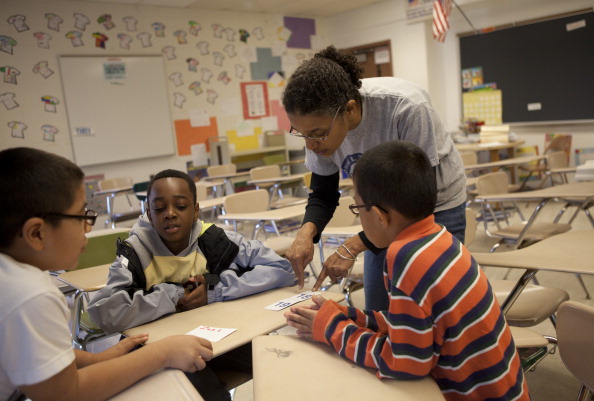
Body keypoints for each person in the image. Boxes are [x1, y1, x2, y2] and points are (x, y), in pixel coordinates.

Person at [284, 141, 529, 401]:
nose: (359, 217)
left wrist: (330, 327)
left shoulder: (405, 257)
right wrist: (350, 316)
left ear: (379, 215)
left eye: (358, 208)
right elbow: (415, 326)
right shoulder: (438, 237)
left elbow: (406, 361)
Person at [0, 147, 213, 401]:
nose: (88, 227)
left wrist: (94, 359)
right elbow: (68, 394)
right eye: (81, 216)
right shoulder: (31, 295)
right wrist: (163, 352)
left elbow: (33, 351)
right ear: (36, 233)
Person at [282, 45, 467, 311]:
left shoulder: (406, 107)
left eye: (318, 133)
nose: (311, 145)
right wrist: (305, 233)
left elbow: (417, 198)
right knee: (379, 304)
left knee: (433, 304)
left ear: (349, 109)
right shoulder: (317, 129)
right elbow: (323, 192)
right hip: (379, 211)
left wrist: (353, 246)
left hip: (435, 203)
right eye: (301, 134)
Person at [88, 168, 295, 333]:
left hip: (219, 330)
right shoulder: (134, 253)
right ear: (149, 215)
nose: (170, 214)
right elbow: (104, 312)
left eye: (180, 206)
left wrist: (215, 290)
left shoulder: (215, 240)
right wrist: (176, 294)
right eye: (159, 209)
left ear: (195, 211)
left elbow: (283, 269)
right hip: (160, 348)